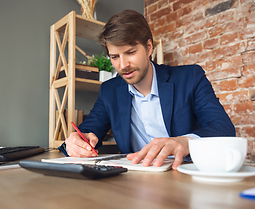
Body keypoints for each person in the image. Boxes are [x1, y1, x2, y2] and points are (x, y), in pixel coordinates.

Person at [63, 9, 235, 170]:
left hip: (185, 174)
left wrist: (183, 142)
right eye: (115, 57)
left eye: (130, 52)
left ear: (149, 47)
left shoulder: (190, 77)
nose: (123, 65)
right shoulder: (110, 91)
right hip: (136, 179)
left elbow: (224, 129)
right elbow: (87, 132)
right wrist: (76, 142)